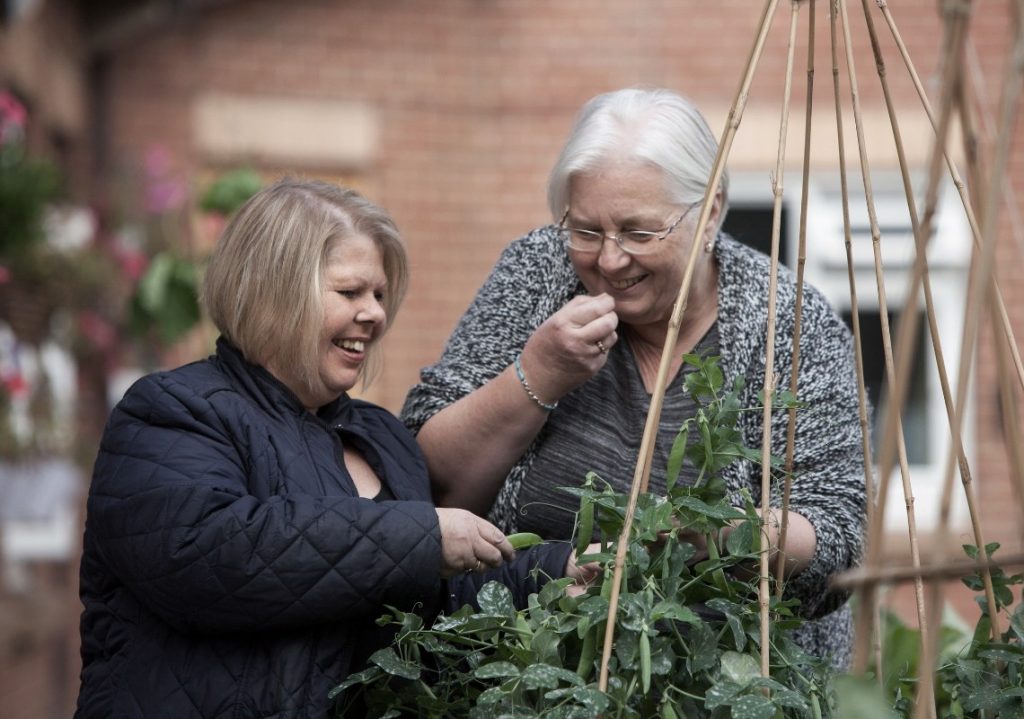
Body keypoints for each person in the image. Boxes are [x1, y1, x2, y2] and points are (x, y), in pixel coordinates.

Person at [74, 179, 590, 719]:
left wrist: (555, 571)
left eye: (380, 296)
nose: (374, 315)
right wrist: (421, 535)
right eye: (350, 293)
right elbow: (211, 555)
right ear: (274, 292)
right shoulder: (174, 411)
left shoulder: (382, 438)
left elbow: (433, 601)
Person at [401, 87, 868, 669]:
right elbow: (425, 484)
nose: (610, 260)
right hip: (521, 674)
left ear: (712, 209)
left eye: (640, 233)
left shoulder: (791, 326)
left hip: (734, 685)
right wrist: (537, 374)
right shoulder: (538, 273)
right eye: (587, 231)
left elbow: (839, 532)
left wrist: (713, 534)